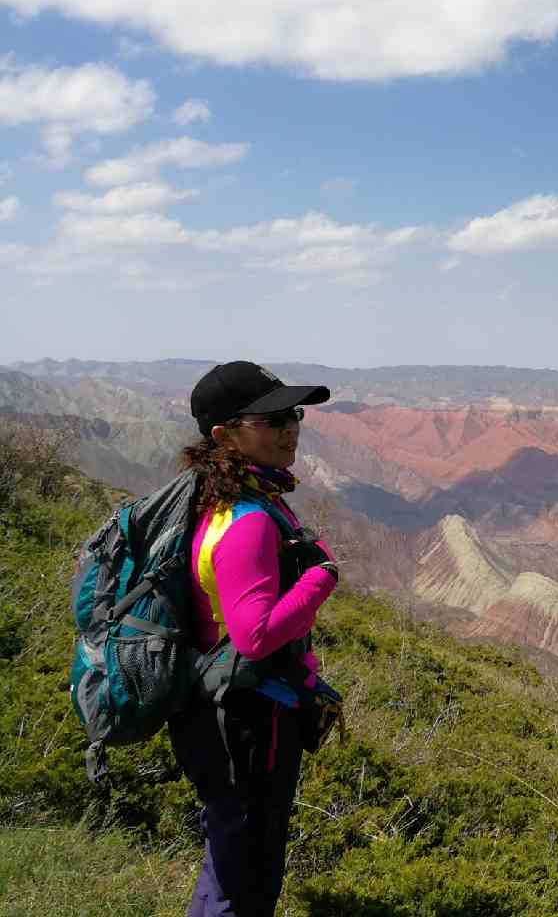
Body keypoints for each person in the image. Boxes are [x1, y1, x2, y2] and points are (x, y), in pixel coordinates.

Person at [170, 361, 339, 917]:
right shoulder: (250, 519)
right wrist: (322, 577)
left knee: (228, 862)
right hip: (248, 718)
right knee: (249, 876)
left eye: (293, 413)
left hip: (222, 708)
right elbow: (256, 636)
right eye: (270, 418)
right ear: (224, 435)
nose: (290, 426)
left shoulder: (223, 500)